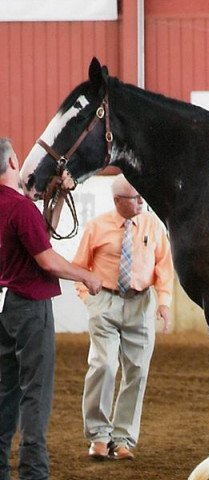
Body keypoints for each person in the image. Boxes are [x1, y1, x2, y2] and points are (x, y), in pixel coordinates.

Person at [0, 137, 102, 480]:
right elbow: (47, 259)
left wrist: (58, 198)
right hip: (29, 307)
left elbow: (41, 234)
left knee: (6, 390)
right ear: (14, 162)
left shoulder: (15, 208)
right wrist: (85, 275)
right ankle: (33, 472)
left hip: (5, 305)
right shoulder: (20, 208)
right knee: (36, 393)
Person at [73, 174, 174, 461]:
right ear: (117, 201)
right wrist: (90, 300)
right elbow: (79, 267)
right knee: (103, 365)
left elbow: (164, 267)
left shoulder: (152, 225)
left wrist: (164, 302)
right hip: (105, 301)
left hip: (141, 303)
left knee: (137, 372)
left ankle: (123, 439)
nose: (142, 200)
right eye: (135, 197)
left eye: (142, 195)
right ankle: (98, 437)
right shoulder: (97, 227)